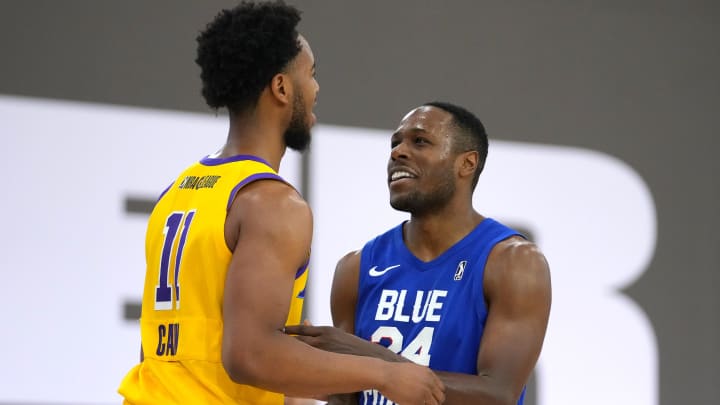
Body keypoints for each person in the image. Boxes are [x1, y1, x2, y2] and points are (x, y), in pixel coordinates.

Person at [117, 2, 445, 405]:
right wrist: (386, 374)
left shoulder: (179, 191)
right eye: (311, 74)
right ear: (281, 88)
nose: (317, 88)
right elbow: (250, 355)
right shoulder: (272, 203)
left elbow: (164, 349)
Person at [286, 101, 552, 404]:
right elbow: (346, 397)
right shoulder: (356, 267)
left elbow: (498, 395)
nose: (397, 152)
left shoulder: (513, 262)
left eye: (420, 141)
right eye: (395, 143)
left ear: (467, 163)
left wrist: (370, 359)